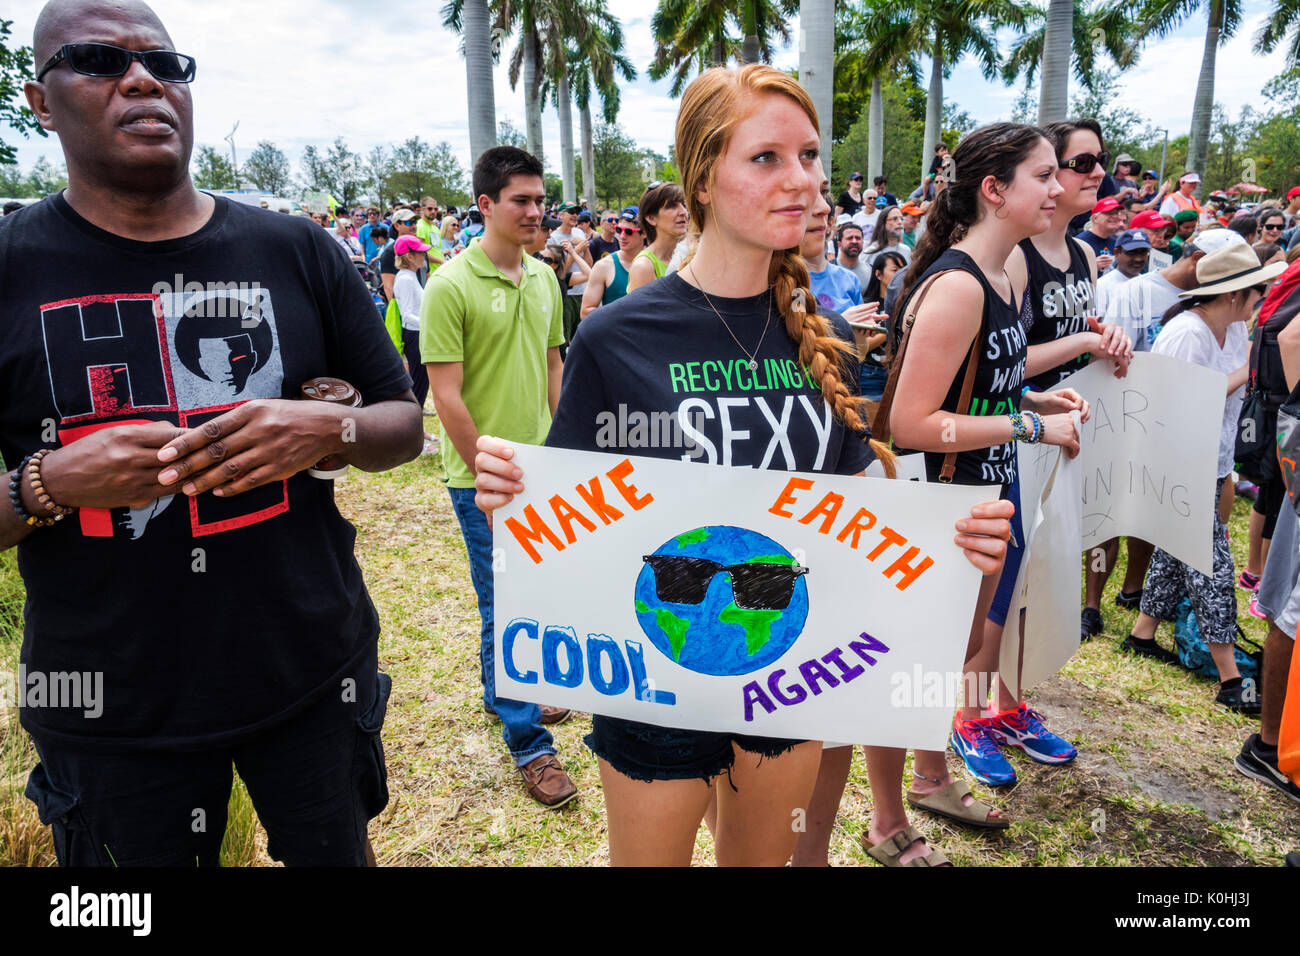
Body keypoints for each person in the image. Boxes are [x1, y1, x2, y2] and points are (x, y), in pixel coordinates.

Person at [473, 65, 1013, 868]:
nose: (803, 181)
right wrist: (509, 497)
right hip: (654, 675)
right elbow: (569, 524)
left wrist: (952, 547)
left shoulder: (822, 335)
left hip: (790, 676)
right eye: (766, 158)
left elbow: (860, 520)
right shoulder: (618, 338)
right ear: (701, 179)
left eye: (808, 155)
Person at [9, 0, 424, 866]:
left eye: (166, 63)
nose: (141, 80)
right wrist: (47, 484)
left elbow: (401, 424)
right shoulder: (10, 269)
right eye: (96, 60)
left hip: (311, 670)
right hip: (107, 706)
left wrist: (328, 429)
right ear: (38, 101)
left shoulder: (297, 249)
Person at [797, 123, 1087, 866]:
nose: (1059, 189)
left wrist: (1031, 401)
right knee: (907, 671)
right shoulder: (959, 285)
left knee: (940, 666)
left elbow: (978, 380)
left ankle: (923, 786)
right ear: (994, 191)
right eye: (1044, 175)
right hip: (939, 511)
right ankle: (888, 819)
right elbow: (910, 422)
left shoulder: (1009, 273)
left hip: (982, 504)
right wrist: (1026, 425)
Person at [420, 146, 575, 807]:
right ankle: (530, 743)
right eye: (522, 200)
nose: (536, 211)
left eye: (541, 200)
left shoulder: (543, 278)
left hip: (542, 468)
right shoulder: (449, 285)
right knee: (504, 604)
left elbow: (554, 369)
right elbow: (445, 396)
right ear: (485, 205)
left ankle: (508, 691)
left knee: (537, 594)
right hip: (481, 478)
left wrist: (562, 453)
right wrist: (489, 472)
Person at [1008, 116, 1133, 726]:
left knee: (1045, 574)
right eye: (1082, 162)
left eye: (1100, 160)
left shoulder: (1084, 253)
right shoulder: (1017, 255)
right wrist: (1084, 337)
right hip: (1017, 429)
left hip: (1069, 429)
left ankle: (1011, 701)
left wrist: (1107, 340)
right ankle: (973, 711)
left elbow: (1076, 343)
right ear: (1048, 171)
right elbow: (1007, 361)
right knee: (1005, 584)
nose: (1097, 172)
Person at [1127, 244, 1284, 711]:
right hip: (1177, 463)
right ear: (1235, 294)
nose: (1263, 298)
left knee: (1177, 554)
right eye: (1258, 290)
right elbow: (1175, 403)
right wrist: (1246, 369)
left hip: (1210, 462)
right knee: (1211, 564)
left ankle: (1142, 633)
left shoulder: (1233, 330)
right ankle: (1230, 677)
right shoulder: (1187, 334)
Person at [579, 209, 644, 317]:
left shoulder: (655, 262)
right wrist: (623, 314)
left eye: (628, 232)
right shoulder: (603, 266)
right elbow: (585, 312)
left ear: (644, 233)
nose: (622, 236)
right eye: (619, 230)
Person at [626, 180, 687, 294]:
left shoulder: (688, 255)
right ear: (651, 219)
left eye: (683, 205)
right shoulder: (643, 267)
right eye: (672, 206)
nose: (683, 212)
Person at [550, 202, 593, 345]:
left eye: (577, 211)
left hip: (584, 291)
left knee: (583, 336)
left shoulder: (579, 233)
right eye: (571, 211)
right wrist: (574, 251)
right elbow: (559, 272)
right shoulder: (554, 238)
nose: (575, 215)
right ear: (560, 215)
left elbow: (590, 265)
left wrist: (585, 248)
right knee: (565, 339)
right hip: (567, 294)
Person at [1095, 228, 1150, 315]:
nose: (1138, 259)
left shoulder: (1147, 284)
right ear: (1117, 253)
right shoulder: (1103, 286)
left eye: (1143, 253)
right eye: (1132, 253)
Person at [380, 208, 423, 300]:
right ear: (397, 225)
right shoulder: (390, 253)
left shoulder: (421, 248)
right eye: (409, 223)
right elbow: (388, 288)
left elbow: (426, 276)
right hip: (406, 309)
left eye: (415, 222)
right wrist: (398, 312)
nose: (414, 226)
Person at [1075, 196, 1124, 270]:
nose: (1115, 216)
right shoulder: (1080, 242)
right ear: (1095, 218)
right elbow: (1069, 275)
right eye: (1109, 213)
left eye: (1117, 213)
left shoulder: (1116, 242)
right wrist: (1092, 266)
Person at [836, 221, 871, 289]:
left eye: (858, 238)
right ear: (839, 244)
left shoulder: (870, 271)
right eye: (849, 238)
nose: (854, 241)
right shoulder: (829, 269)